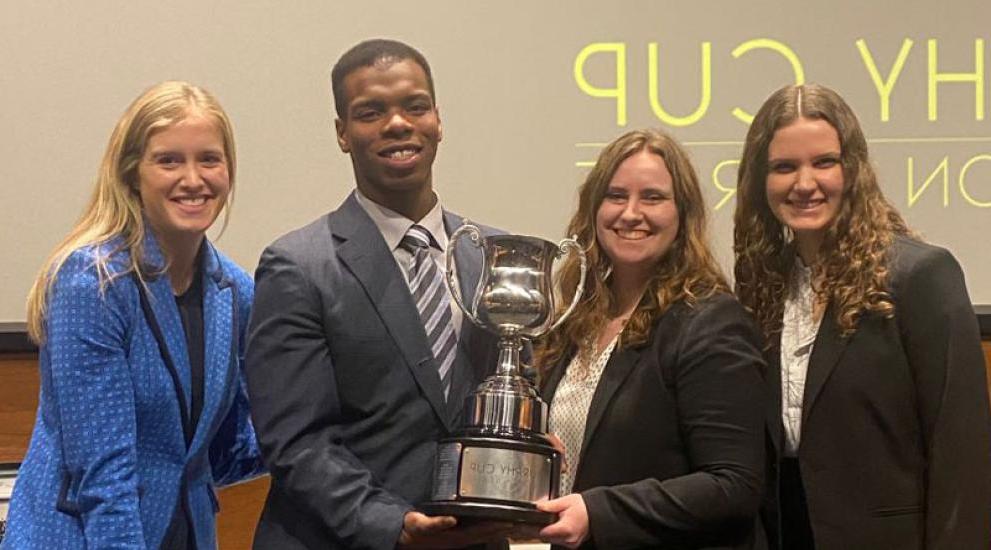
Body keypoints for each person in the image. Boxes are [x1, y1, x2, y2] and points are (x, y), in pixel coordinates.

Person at [245, 39, 510, 549]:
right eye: (371, 112)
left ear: (438, 119)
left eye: (416, 106)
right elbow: (295, 440)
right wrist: (393, 525)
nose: (397, 124)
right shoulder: (298, 267)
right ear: (343, 134)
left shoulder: (494, 255)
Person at [2, 81, 264, 549]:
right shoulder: (92, 284)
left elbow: (220, 455)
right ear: (131, 173)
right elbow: (104, 480)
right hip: (84, 537)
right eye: (168, 160)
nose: (193, 179)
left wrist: (332, 431)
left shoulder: (235, 291)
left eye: (209, 159)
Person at [733, 83, 991, 549]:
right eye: (784, 167)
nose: (804, 183)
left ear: (853, 169)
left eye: (823, 162)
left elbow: (961, 451)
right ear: (759, 180)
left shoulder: (921, 275)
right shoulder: (761, 285)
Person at [533, 129, 766, 549]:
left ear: (683, 214)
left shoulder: (711, 321)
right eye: (616, 195)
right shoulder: (574, 322)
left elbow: (734, 484)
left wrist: (598, 512)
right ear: (593, 209)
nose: (631, 213)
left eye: (653, 197)